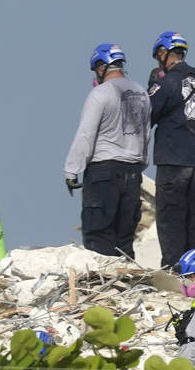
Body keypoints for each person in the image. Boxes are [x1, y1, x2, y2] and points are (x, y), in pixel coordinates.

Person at [63, 43, 151, 259]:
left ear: (101, 67)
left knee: (98, 236)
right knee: (124, 238)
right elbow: (146, 135)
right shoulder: (141, 93)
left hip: (103, 172)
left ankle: (106, 285)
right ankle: (126, 286)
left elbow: (86, 134)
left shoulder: (100, 93)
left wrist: (72, 170)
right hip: (132, 173)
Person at [148, 31, 195, 270]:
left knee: (170, 218)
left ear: (164, 53)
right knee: (190, 219)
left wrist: (152, 87)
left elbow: (148, 114)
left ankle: (173, 269)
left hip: (172, 158)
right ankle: (194, 269)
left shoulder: (166, 82)